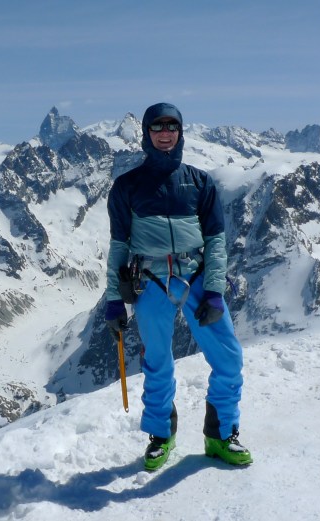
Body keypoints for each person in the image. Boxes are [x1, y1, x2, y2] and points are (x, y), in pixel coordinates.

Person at [103, 102, 252, 471]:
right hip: (151, 279)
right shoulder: (127, 187)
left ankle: (220, 435)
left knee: (228, 357)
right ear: (147, 134)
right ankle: (160, 436)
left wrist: (215, 289)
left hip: (196, 274)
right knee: (157, 361)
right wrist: (112, 299)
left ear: (181, 133)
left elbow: (216, 240)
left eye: (172, 127)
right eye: (158, 127)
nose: (165, 133)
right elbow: (119, 245)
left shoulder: (200, 182)